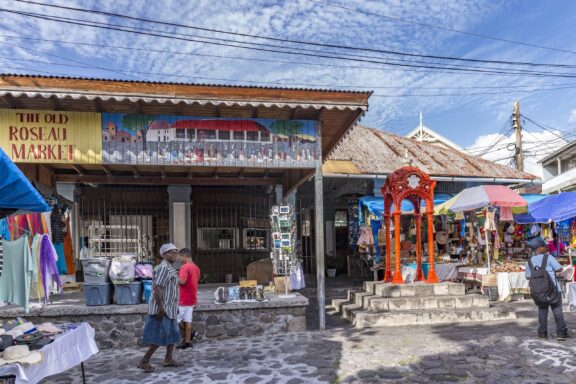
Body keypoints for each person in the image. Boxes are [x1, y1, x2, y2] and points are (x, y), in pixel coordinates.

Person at [138, 243, 184, 373]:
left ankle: (168, 359)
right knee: (159, 337)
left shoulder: (170, 268)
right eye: (171, 252)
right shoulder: (164, 268)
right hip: (162, 309)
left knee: (173, 334)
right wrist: (160, 308)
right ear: (163, 254)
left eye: (176, 252)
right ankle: (144, 361)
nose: (174, 254)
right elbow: (157, 289)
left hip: (170, 308)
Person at [525, 237, 571, 340]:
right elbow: (559, 268)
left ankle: (542, 333)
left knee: (542, 310)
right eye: (544, 246)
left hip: (539, 292)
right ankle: (561, 333)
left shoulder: (529, 262)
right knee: (557, 310)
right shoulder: (549, 257)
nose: (546, 247)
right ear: (539, 248)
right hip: (554, 289)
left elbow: (528, 276)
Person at [176, 248, 201, 350]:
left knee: (175, 320)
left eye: (179, 257)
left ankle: (190, 334)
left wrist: (173, 277)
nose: (179, 259)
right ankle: (188, 341)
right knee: (188, 320)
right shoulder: (196, 268)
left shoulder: (185, 267)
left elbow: (182, 281)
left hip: (183, 299)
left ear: (184, 256)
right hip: (191, 298)